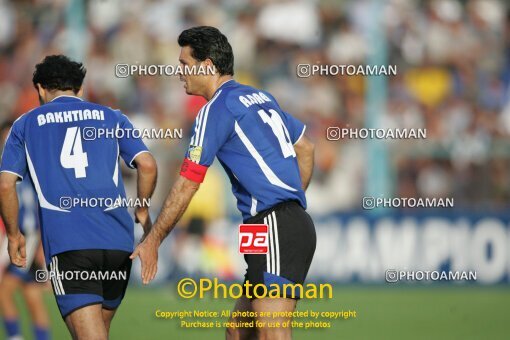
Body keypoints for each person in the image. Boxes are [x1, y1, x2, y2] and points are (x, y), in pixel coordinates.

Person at [131, 26, 316, 340]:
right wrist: (292, 198)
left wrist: (153, 240)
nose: (180, 73)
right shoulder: (260, 96)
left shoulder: (216, 108)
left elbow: (188, 182)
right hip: (268, 225)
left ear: (207, 66)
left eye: (185, 64)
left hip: (274, 223)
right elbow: (306, 147)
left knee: (272, 330)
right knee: (238, 331)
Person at [0, 55, 157, 340]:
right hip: (118, 245)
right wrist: (143, 212)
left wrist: (13, 235)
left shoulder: (25, 124)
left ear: (39, 89)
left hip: (70, 243)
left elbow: (5, 184)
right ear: (80, 89)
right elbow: (147, 164)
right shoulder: (112, 116)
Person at [0, 121, 51, 340]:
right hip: (19, 236)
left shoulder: (31, 165)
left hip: (26, 238)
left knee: (4, 290)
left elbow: (44, 207)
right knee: (32, 295)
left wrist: (42, 245)